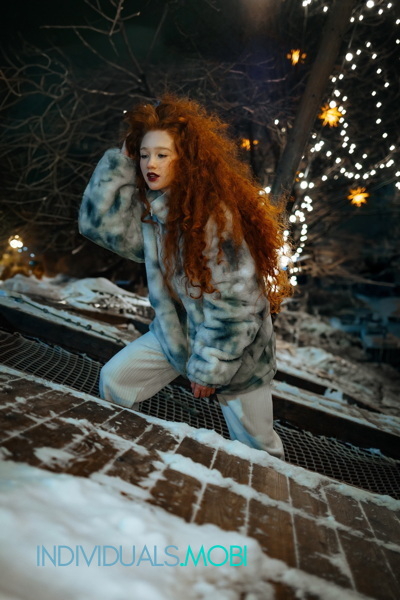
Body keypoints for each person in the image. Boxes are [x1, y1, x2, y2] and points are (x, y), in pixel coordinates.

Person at [78, 95, 293, 460]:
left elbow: (239, 305)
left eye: (162, 155)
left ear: (186, 159)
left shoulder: (213, 217)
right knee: (117, 380)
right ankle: (118, 465)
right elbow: (99, 226)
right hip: (176, 335)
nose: (151, 164)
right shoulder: (156, 212)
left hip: (234, 352)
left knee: (259, 448)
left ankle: (275, 494)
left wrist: (211, 367)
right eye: (144, 155)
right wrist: (121, 161)